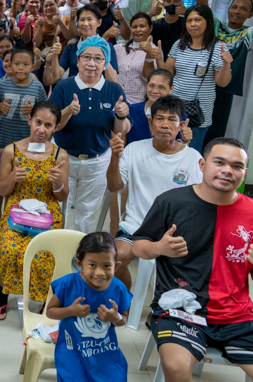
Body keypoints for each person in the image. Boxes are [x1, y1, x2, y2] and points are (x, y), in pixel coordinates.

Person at [133, 137, 253, 382]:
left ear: (244, 172)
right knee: (176, 369)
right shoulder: (172, 202)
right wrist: (159, 247)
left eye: (237, 166)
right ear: (202, 164)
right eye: (219, 162)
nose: (227, 170)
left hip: (236, 315)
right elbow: (137, 246)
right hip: (179, 309)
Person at [106, 95, 202, 291]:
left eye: (172, 119)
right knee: (115, 258)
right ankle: (127, 302)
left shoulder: (193, 158)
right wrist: (115, 158)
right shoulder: (134, 150)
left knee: (181, 271)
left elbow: (200, 199)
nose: (165, 125)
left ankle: (160, 310)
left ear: (182, 124)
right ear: (151, 122)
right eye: (160, 119)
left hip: (175, 232)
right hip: (136, 226)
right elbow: (114, 186)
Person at [0, 101, 69, 319]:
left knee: (44, 253)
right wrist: (13, 177)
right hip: (17, 211)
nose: (42, 130)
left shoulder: (60, 156)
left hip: (47, 214)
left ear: (56, 128)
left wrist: (56, 183)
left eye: (48, 125)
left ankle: (45, 298)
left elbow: (63, 196)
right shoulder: (12, 150)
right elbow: (2, 190)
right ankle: (3, 292)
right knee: (10, 249)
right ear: (29, 120)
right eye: (38, 122)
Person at [50, 36, 131, 233]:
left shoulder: (114, 89)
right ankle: (56, 250)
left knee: (88, 212)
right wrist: (68, 110)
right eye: (86, 57)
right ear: (77, 61)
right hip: (63, 158)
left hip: (97, 161)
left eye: (98, 59)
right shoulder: (64, 87)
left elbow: (121, 130)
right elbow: (53, 125)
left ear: (106, 63)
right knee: (59, 207)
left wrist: (121, 116)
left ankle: (80, 251)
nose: (91, 64)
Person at [46, 232, 132, 382]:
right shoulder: (68, 284)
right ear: (79, 264)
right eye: (92, 265)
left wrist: (115, 318)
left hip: (105, 354)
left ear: (116, 266)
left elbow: (124, 319)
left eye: (107, 266)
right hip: (73, 353)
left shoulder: (118, 288)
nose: (100, 273)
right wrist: (70, 311)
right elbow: (50, 312)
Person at [0, 48, 48, 235]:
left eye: (26, 64)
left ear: (33, 66)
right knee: (1, 178)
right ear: (9, 65)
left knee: (25, 179)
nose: (21, 68)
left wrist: (34, 112)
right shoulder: (3, 85)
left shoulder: (37, 87)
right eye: (16, 64)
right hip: (4, 139)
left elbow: (44, 112)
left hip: (29, 142)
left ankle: (17, 215)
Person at [164, 4, 232, 152]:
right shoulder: (179, 44)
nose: (192, 24)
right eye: (189, 20)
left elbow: (222, 82)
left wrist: (226, 64)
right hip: (174, 107)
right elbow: (168, 72)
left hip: (198, 113)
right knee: (168, 149)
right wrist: (156, 58)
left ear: (207, 22)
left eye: (198, 20)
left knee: (190, 154)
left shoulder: (217, 47)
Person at [194, 0, 253, 147]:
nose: (237, 11)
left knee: (215, 135)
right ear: (228, 9)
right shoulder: (216, 26)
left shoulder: (248, 33)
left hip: (225, 93)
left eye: (243, 9)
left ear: (250, 14)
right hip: (202, 86)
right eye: (234, 7)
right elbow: (203, 8)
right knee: (194, 129)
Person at [125, 69, 191, 145]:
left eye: (161, 87)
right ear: (146, 85)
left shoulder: (178, 114)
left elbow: (181, 146)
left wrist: (185, 140)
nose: (155, 91)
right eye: (152, 85)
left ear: (171, 89)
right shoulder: (130, 111)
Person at [119, 0, 187, 59]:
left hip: (179, 60)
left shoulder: (186, 23)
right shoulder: (156, 24)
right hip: (157, 59)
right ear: (163, 4)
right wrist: (150, 15)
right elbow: (138, 31)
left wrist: (187, 13)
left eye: (175, 1)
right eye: (168, 1)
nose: (172, 4)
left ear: (180, 3)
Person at [113, 12, 158, 104]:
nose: (138, 30)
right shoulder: (119, 48)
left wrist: (149, 53)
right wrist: (105, 36)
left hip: (138, 103)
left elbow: (150, 77)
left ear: (150, 28)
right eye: (134, 27)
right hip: (115, 100)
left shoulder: (155, 51)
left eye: (142, 26)